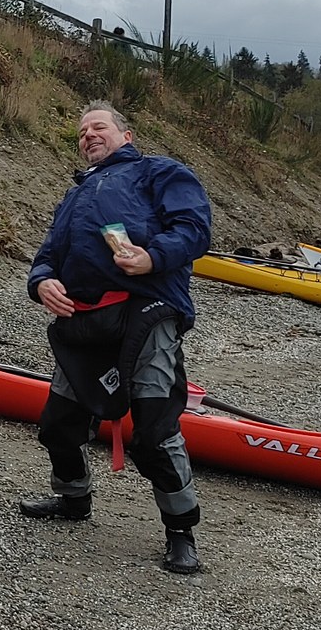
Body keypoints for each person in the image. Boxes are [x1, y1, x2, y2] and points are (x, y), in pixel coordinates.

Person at [21, 102, 212, 574]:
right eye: (82, 131)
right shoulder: (75, 195)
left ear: (125, 135)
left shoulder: (159, 172)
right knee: (57, 423)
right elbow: (47, 255)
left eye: (98, 127)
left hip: (146, 309)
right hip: (84, 319)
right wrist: (42, 282)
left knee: (154, 427)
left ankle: (180, 530)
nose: (87, 135)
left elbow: (194, 228)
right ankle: (73, 500)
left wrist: (152, 256)